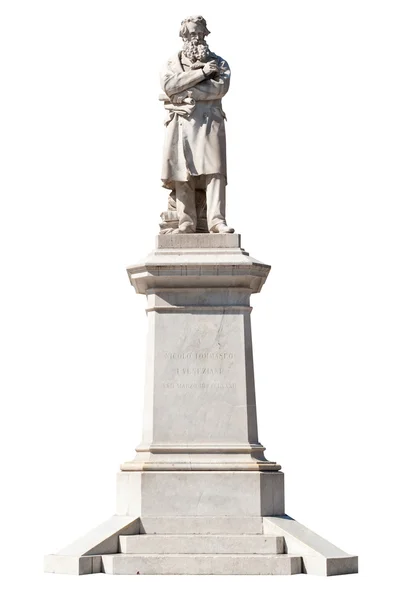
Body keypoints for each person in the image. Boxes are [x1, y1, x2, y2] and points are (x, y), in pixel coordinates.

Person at [160, 15, 234, 234]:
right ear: (184, 35)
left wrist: (186, 92)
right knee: (182, 172)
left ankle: (216, 220)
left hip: (210, 122)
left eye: (201, 33)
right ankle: (186, 222)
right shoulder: (172, 63)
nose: (198, 37)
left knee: (215, 172)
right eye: (193, 33)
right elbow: (169, 85)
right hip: (181, 123)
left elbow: (219, 88)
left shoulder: (220, 63)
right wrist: (202, 73)